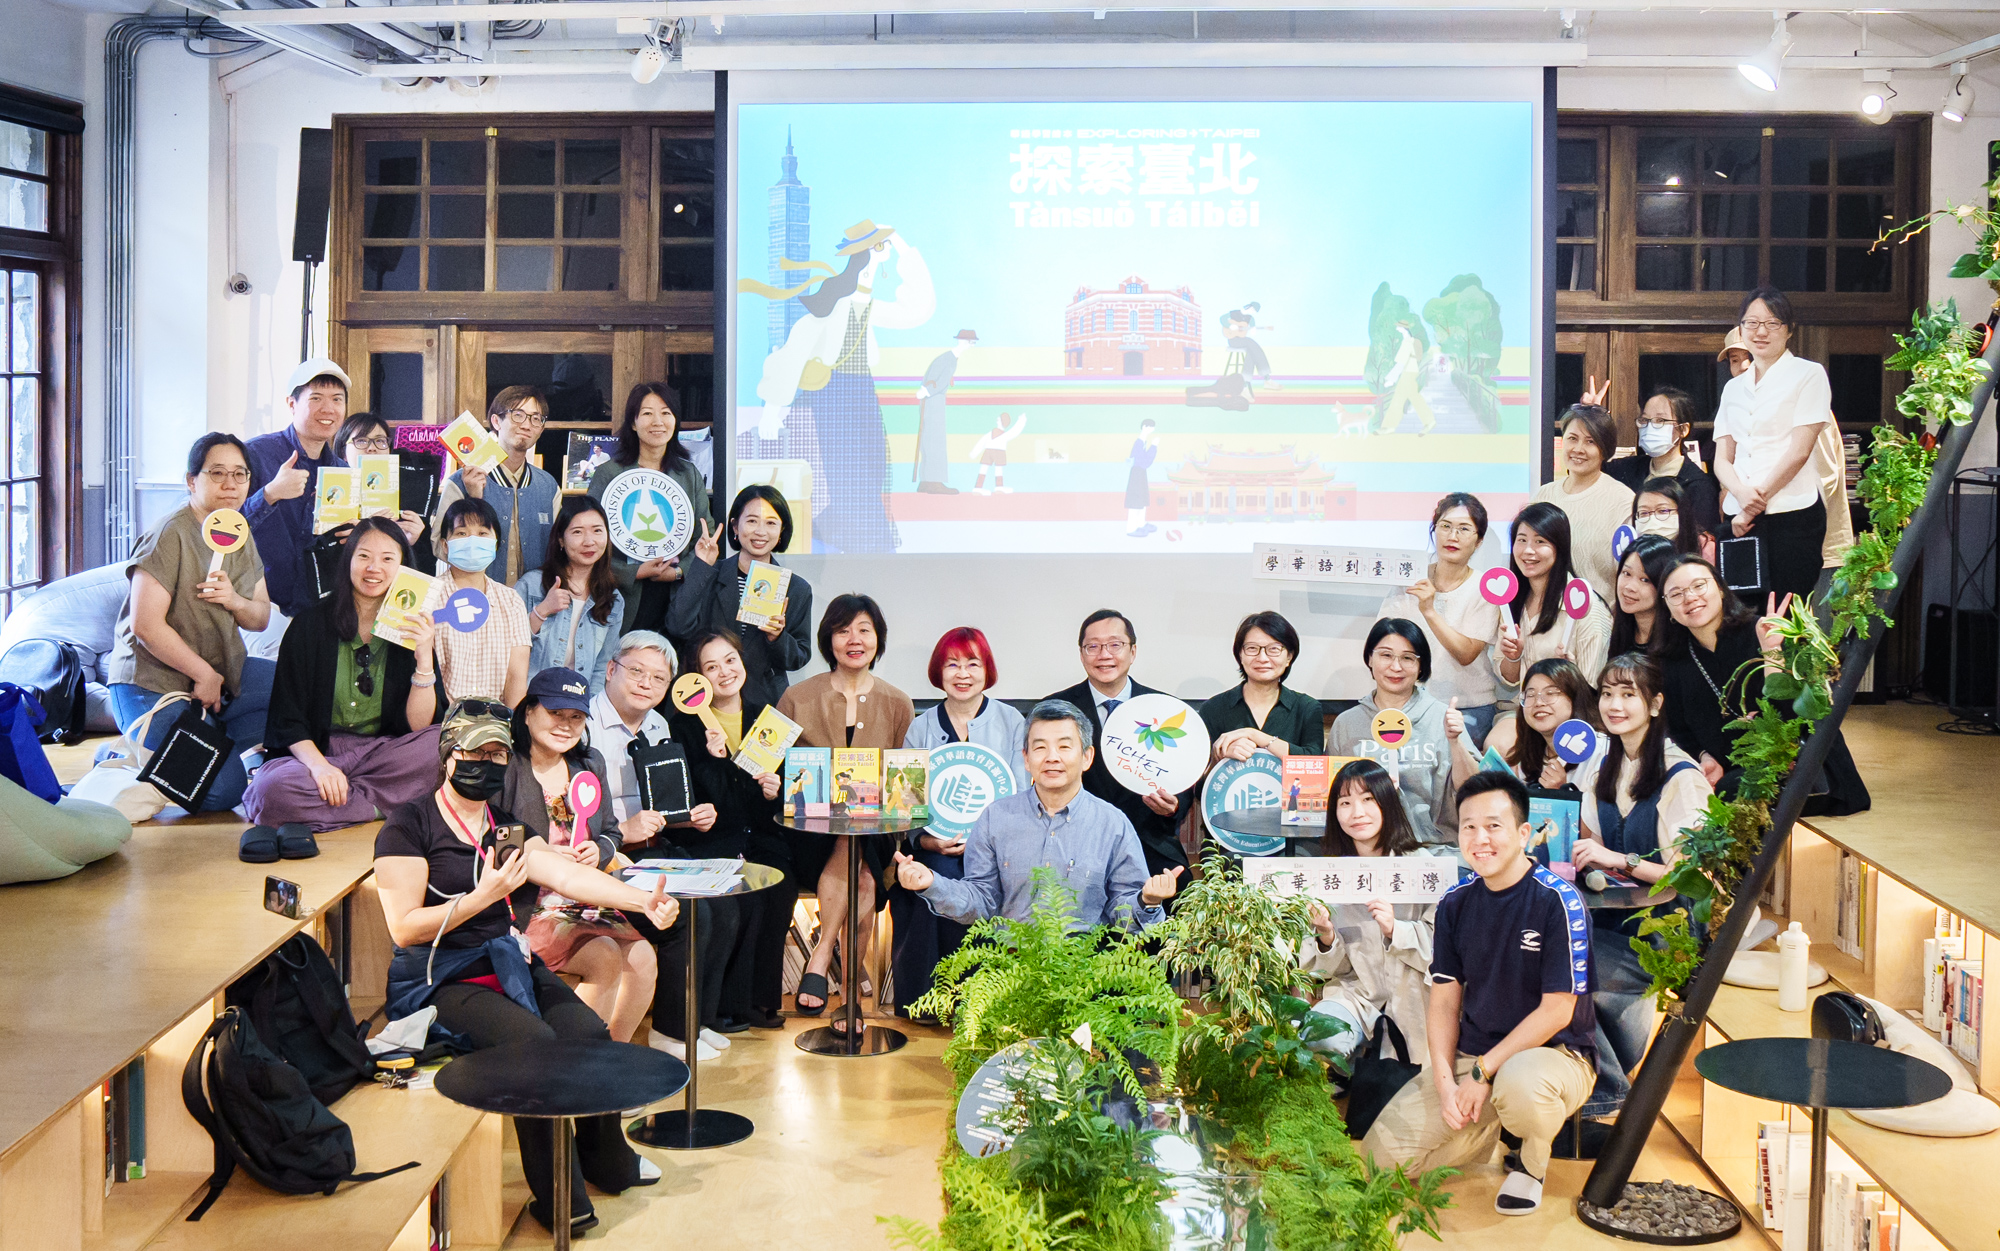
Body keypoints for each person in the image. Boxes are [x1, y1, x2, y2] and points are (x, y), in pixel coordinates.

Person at [373, 702, 677, 1235]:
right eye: (477, 752)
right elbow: (404, 928)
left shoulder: (506, 827)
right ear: (449, 755)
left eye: (498, 754)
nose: (487, 763)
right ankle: (561, 1196)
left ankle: (608, 1160)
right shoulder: (409, 824)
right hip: (440, 976)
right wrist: (481, 896)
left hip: (505, 960)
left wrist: (640, 902)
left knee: (588, 1032)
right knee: (535, 1047)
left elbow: (567, 876)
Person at [1361, 771, 1597, 1217]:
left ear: (1523, 834)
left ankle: (1530, 1164)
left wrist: (1482, 1072)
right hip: (1475, 1056)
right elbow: (1444, 1001)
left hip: (1554, 1055)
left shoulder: (1558, 901)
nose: (1479, 838)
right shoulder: (1455, 903)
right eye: (1468, 826)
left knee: (1520, 1086)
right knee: (1379, 1163)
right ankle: (1485, 1130)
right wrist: (1445, 1081)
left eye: (1493, 826)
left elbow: (1557, 1011)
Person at [893, 699, 1183, 930]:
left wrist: (1147, 900)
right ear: (1026, 759)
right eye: (1040, 747)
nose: (1052, 757)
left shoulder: (1113, 824)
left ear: (1087, 757)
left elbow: (1125, 918)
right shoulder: (995, 818)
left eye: (1064, 747)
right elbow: (981, 901)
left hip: (1088, 970)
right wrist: (932, 884)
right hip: (1011, 969)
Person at [1570, 652, 1711, 1117]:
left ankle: (1606, 1092)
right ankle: (1581, 1088)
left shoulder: (1682, 776)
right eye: (1608, 694)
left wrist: (1621, 861)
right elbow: (1590, 847)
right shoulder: (1602, 769)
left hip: (1670, 930)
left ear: (1654, 704)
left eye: (1628, 694)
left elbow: (1692, 876)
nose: (1614, 705)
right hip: (1617, 918)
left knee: (1566, 969)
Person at [106, 433, 274, 814]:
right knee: (223, 791)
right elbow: (145, 626)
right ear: (191, 481)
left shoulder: (238, 531)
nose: (230, 484)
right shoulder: (170, 534)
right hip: (151, 684)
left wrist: (234, 600)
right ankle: (136, 752)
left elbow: (261, 617)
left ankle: (199, 739)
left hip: (219, 677)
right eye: (217, 473)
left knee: (297, 691)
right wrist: (204, 674)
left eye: (240, 474)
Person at [244, 518, 443, 836]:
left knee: (439, 748)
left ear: (403, 567)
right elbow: (288, 718)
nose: (374, 568)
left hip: (382, 754)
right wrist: (320, 767)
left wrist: (423, 657)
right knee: (271, 788)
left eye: (387, 559)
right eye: (363, 556)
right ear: (348, 559)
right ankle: (387, 805)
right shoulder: (309, 625)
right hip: (317, 752)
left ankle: (347, 803)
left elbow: (420, 727)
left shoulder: (411, 629)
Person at [501, 668, 655, 1044]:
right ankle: (575, 1066)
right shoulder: (506, 766)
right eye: (555, 713)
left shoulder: (589, 763)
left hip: (584, 899)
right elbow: (492, 840)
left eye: (576, 717)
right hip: (525, 906)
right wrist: (541, 854)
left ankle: (611, 1058)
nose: (566, 725)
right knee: (603, 954)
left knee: (643, 957)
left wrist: (599, 850)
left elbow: (612, 832)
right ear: (528, 712)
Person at [776, 595, 913, 1015]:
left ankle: (821, 959)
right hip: (809, 834)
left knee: (860, 851)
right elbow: (770, 763)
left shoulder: (898, 702)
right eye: (843, 630)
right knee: (859, 865)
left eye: (864, 630)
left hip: (877, 833)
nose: (854, 640)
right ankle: (850, 990)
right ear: (828, 640)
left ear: (878, 639)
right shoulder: (796, 697)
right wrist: (770, 781)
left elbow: (906, 782)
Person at [892, 627, 1028, 1015]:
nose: (963, 673)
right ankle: (925, 1004)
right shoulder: (921, 727)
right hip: (936, 849)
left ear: (987, 670)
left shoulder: (1011, 721)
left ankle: (981, 1005)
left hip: (998, 851)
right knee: (927, 878)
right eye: (952, 664)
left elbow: (1020, 794)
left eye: (973, 663)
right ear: (939, 671)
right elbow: (907, 806)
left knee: (984, 881)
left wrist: (986, 842)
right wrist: (927, 841)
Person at [667, 631, 788, 1038]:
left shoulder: (766, 718)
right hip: (712, 840)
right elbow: (705, 801)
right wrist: (716, 760)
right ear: (697, 678)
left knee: (780, 886)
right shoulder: (683, 728)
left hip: (763, 835)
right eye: (711, 667)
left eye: (730, 660)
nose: (724, 672)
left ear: (743, 661)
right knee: (741, 896)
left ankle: (762, 1000)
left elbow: (778, 796)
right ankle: (723, 1005)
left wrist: (774, 791)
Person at [1298, 760, 1436, 1068]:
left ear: (1387, 802)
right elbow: (1327, 971)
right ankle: (1345, 1077)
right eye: (1345, 803)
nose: (1357, 812)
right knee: (1318, 1036)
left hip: (1414, 995)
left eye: (1368, 799)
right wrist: (1326, 936)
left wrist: (1395, 930)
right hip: (1357, 993)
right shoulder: (1330, 873)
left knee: (1413, 1075)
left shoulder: (1421, 865)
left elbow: (1441, 949)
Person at [1047, 609, 1193, 882]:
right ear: (1081, 654)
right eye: (1093, 647)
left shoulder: (1166, 708)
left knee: (1181, 887)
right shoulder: (1055, 709)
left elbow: (1182, 777)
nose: (1104, 655)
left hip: (1148, 839)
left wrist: (1173, 806)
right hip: (1074, 841)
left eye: (1115, 645)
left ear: (1133, 651)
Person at [1713, 287, 1832, 603]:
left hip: (1792, 515)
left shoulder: (1808, 374)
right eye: (1751, 323)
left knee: (1786, 613)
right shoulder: (1733, 388)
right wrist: (1741, 495)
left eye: (1772, 323)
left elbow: (1799, 452)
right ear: (1741, 329)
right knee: (1743, 612)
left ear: (1789, 330)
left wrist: (1753, 503)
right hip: (1739, 518)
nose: (1760, 331)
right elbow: (1722, 459)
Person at [667, 485, 814, 707]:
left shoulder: (796, 588)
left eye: (771, 523)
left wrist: (777, 637)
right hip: (707, 700)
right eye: (752, 521)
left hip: (764, 702)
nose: (761, 531)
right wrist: (702, 566)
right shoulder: (709, 574)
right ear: (735, 526)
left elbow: (798, 658)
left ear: (782, 530)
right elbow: (678, 626)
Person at [1380, 493, 1503, 748]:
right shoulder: (1411, 578)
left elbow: (1466, 653)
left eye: (1464, 529)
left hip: (1467, 707)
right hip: (1410, 703)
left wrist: (1429, 611)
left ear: (1479, 540)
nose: (1452, 536)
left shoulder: (1485, 587)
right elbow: (1382, 637)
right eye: (1445, 526)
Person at [587, 382, 710, 634]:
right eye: (647, 413)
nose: (658, 422)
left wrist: (677, 572)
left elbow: (704, 538)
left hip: (677, 599)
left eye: (666, 413)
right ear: (633, 423)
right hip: (623, 599)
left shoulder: (688, 475)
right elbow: (590, 540)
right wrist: (634, 572)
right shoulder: (609, 474)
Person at [243, 358, 351, 625]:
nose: (328, 408)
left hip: (317, 610)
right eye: (316, 398)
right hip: (258, 608)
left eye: (337, 399)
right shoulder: (255, 454)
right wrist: (270, 494)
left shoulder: (343, 472)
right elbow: (221, 526)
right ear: (292, 404)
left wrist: (357, 534)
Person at [1330, 619, 1455, 848]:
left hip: (1433, 849)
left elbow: (1475, 788)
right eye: (1386, 655)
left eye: (1408, 658)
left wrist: (1456, 741)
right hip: (1363, 852)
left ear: (1421, 666)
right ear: (1370, 658)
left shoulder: (1442, 717)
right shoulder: (1346, 723)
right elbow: (1332, 796)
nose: (1396, 667)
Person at [431, 385, 562, 588]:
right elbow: (439, 546)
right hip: (478, 596)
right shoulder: (460, 482)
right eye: (518, 415)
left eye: (536, 418)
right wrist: (474, 501)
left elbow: (557, 549)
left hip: (535, 600)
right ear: (496, 421)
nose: (527, 425)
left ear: (541, 429)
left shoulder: (548, 486)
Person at [421, 498, 532, 707]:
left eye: (482, 533)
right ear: (445, 545)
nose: (472, 541)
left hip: (496, 719)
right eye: (461, 533)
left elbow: (516, 678)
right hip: (441, 717)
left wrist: (512, 724)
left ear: (495, 543)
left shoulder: (511, 601)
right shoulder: (427, 596)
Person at [1494, 502, 1611, 690]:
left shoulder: (1586, 607)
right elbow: (1509, 679)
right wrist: (1513, 657)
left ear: (1560, 547)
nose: (1528, 550)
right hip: (1527, 704)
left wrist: (1566, 675)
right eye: (1521, 540)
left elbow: (1592, 689)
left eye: (1540, 541)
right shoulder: (1511, 602)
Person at [516, 496, 623, 697]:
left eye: (597, 531)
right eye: (577, 532)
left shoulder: (612, 599)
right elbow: (507, 648)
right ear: (561, 540)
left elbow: (602, 667)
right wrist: (542, 611)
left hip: (577, 703)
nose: (589, 541)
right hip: (531, 700)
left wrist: (588, 709)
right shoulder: (531, 585)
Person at [1531, 404, 1634, 602]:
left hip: (1601, 616)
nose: (1578, 449)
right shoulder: (1544, 495)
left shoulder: (1623, 501)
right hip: (1547, 613)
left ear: (1604, 449)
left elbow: (1630, 573)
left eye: (1590, 441)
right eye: (1572, 438)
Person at [1457, 658, 1604, 792]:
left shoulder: (1599, 750)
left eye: (1550, 693)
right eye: (1531, 695)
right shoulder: (1527, 755)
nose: (1538, 703)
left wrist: (1561, 792)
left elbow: (1603, 811)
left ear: (1575, 698)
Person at [1200, 611, 1325, 761]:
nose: (1262, 658)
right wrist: (1220, 755)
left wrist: (1255, 735)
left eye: (1274, 649)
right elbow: (1200, 770)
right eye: (1252, 648)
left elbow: (1315, 763)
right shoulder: (1214, 708)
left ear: (1289, 657)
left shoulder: (1307, 708)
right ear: (1240, 655)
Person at [1607, 387, 1720, 535]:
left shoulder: (1698, 486)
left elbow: (1702, 540)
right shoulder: (1628, 469)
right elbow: (1592, 471)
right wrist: (1592, 417)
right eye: (1644, 420)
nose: (1649, 427)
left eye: (1660, 420)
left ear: (1683, 429)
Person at [914, 331, 976, 494]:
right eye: (971, 342)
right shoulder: (949, 360)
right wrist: (926, 391)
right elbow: (938, 381)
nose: (972, 346)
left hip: (931, 400)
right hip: (934, 400)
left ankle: (926, 481)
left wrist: (926, 391)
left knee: (929, 440)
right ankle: (934, 482)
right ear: (963, 341)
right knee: (935, 441)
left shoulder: (949, 358)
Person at [1608, 534, 1679, 658]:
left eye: (1645, 580)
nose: (1629, 587)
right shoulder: (1620, 632)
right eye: (1626, 573)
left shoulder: (1678, 644)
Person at [1631, 475, 1713, 560]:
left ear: (1681, 512)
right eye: (1644, 512)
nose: (1652, 519)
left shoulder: (1704, 547)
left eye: (1663, 511)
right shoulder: (1634, 554)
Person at [1379, 318, 1435, 434]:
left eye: (1398, 327)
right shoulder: (1411, 341)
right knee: (1414, 397)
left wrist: (1391, 379)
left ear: (1403, 329)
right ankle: (1429, 421)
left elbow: (1401, 362)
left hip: (1407, 372)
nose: (1397, 328)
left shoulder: (1407, 342)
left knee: (1398, 399)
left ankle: (1389, 426)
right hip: (1411, 371)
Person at [971, 411, 1026, 494]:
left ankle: (978, 488)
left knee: (984, 468)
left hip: (988, 451)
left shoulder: (991, 433)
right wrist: (1022, 420)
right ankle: (998, 487)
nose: (997, 419)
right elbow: (1015, 431)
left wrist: (974, 453)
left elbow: (982, 442)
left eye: (999, 418)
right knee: (998, 469)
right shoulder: (1004, 435)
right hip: (999, 452)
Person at [1126, 419, 1159, 537]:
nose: (1152, 430)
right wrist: (1154, 446)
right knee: (1135, 502)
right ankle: (1131, 529)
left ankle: (1141, 523)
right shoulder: (1139, 443)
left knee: (1142, 500)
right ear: (1144, 427)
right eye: (1150, 428)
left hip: (1140, 473)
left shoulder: (1143, 441)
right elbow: (1145, 462)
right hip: (1137, 474)